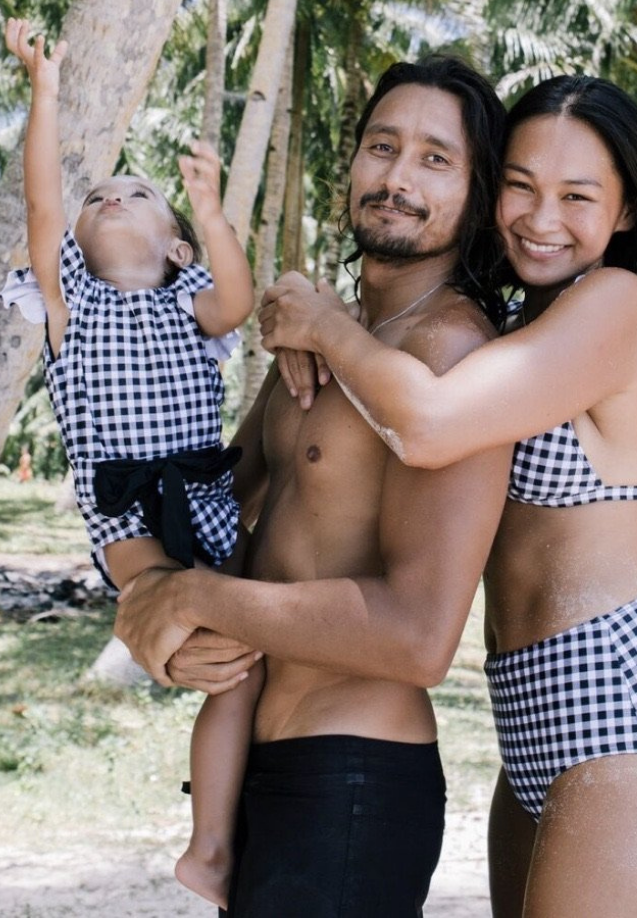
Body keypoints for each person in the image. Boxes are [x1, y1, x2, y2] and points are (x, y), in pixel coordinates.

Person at [256, 74, 637, 917]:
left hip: (618, 714)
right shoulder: (513, 324)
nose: (542, 220)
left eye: (578, 196)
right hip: (530, 718)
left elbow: (427, 425)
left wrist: (324, 325)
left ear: (623, 213)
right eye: (520, 186)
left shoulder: (614, 305)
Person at [114, 56, 513, 916]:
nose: (398, 177)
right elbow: (216, 506)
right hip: (263, 766)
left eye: (436, 159)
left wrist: (195, 596)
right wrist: (149, 595)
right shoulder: (322, 338)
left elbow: (418, 640)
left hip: (353, 782)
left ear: (477, 198)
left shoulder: (447, 356)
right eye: (382, 146)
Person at [1, 18, 259, 909]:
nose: (113, 196)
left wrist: (215, 211)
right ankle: (148, 640)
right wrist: (45, 88)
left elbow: (239, 299)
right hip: (126, 520)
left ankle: (212, 845)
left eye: (139, 194)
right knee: (197, 622)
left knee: (240, 661)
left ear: (178, 246)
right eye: (100, 195)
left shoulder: (194, 300)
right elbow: (42, 207)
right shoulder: (71, 309)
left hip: (209, 505)